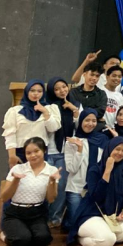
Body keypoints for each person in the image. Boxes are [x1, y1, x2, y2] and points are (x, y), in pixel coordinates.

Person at [67, 137, 123, 246]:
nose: (120, 153)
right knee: (108, 240)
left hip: (112, 214)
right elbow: (97, 197)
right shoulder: (95, 169)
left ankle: (101, 232)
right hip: (92, 212)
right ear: (109, 149)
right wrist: (107, 171)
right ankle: (79, 238)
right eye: (117, 149)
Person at [0, 137, 60, 246]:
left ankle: (25, 232)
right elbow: (4, 197)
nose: (33, 155)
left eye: (36, 151)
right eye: (28, 153)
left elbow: (51, 199)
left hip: (37, 213)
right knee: (21, 241)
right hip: (15, 213)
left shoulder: (52, 170)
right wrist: (16, 180)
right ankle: (5, 235)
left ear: (44, 150)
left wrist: (52, 181)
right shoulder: (17, 169)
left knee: (43, 239)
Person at [63, 108, 107, 230]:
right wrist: (79, 149)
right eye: (87, 120)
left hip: (95, 189)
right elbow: (71, 169)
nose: (90, 124)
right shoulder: (71, 141)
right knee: (75, 224)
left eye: (94, 121)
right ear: (81, 120)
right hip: (76, 188)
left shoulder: (102, 140)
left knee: (91, 224)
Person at [3, 80, 61, 169]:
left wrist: (45, 112)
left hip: (40, 152)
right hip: (20, 152)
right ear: (27, 91)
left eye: (39, 91)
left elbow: (53, 128)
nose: (36, 94)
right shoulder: (15, 111)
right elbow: (10, 133)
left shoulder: (49, 109)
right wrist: (12, 155)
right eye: (32, 90)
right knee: (18, 177)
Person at [45, 77, 79, 226]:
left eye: (64, 87)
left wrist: (74, 110)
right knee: (44, 185)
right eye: (57, 89)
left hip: (65, 152)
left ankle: (54, 218)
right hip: (48, 150)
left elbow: (80, 128)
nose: (61, 91)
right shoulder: (46, 105)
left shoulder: (75, 104)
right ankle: (41, 217)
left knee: (61, 185)